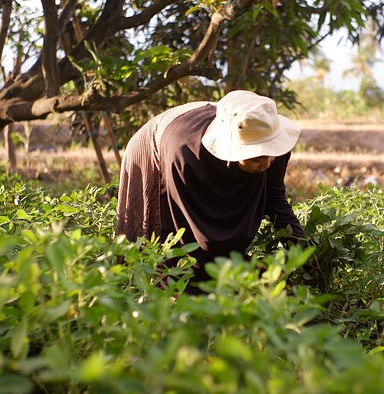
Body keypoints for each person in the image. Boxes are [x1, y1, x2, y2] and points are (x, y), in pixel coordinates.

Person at [116, 90, 304, 291]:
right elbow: (198, 233)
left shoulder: (269, 140)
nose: (267, 164)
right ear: (233, 151)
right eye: (257, 157)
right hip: (159, 143)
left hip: (216, 123)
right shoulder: (186, 157)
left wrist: (303, 251)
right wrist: (251, 268)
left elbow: (274, 200)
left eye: (271, 155)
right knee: (166, 247)